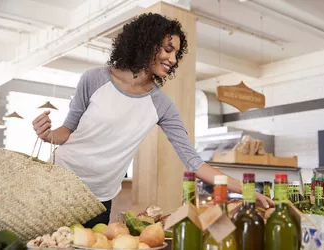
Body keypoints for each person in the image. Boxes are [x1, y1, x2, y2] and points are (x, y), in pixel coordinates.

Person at [32, 13, 273, 227]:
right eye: (168, 49)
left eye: (177, 53)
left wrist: (246, 190)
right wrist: (48, 135)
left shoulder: (162, 105)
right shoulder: (94, 79)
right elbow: (67, 130)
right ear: (146, 43)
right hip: (61, 183)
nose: (173, 59)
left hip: (100, 198)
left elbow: (194, 162)